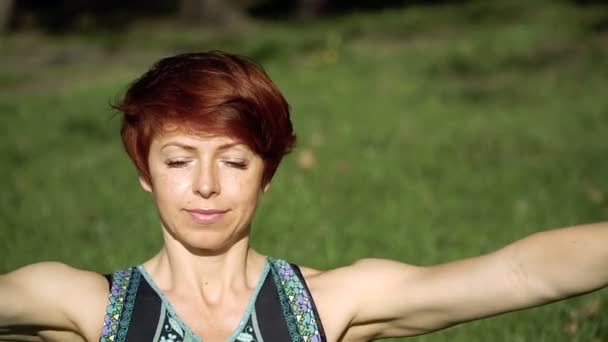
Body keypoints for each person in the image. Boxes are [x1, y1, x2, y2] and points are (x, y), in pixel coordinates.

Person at [0, 51, 606, 342]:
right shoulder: (85, 304)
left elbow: (522, 274)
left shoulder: (327, 305)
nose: (206, 185)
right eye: (179, 161)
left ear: (267, 174)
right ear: (145, 171)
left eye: (234, 161)